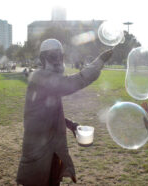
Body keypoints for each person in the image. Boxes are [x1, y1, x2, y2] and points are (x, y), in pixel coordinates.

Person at [16, 38, 113, 186]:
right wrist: (99, 62)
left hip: (50, 146)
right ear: (43, 59)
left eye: (60, 56)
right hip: (40, 149)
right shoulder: (40, 77)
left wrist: (71, 124)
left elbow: (47, 112)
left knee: (52, 180)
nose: (57, 61)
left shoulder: (45, 77)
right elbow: (74, 82)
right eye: (52, 56)